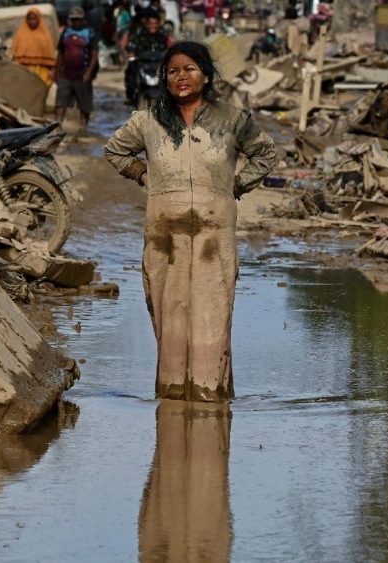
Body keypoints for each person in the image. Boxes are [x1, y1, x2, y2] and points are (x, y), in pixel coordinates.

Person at [104, 41, 277, 401]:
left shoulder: (231, 120)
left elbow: (265, 152)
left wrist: (238, 185)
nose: (181, 77)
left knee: (213, 317)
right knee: (170, 319)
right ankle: (171, 403)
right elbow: (115, 150)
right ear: (164, 78)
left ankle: (209, 398)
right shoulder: (148, 121)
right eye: (173, 71)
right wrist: (142, 175)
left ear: (206, 75)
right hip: (165, 237)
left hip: (215, 239)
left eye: (189, 69)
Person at [56, 6, 99, 130]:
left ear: (83, 19)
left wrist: (89, 72)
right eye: (73, 19)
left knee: (84, 104)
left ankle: (83, 127)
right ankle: (58, 125)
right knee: (61, 102)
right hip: (66, 73)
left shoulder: (89, 33)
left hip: (83, 73)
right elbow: (60, 52)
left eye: (78, 19)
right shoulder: (65, 32)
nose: (76, 22)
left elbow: (94, 54)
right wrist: (57, 70)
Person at [124, 8, 173, 105]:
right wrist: (131, 54)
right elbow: (131, 46)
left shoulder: (164, 35)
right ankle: (131, 96)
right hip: (143, 64)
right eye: (150, 23)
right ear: (146, 24)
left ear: (159, 24)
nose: (153, 26)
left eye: (155, 23)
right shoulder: (139, 34)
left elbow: (170, 47)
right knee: (130, 72)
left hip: (159, 65)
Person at [11, 8, 57, 85]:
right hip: (24, 70)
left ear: (38, 18)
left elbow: (50, 55)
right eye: (29, 18)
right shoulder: (21, 34)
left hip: (41, 71)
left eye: (34, 18)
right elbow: (15, 54)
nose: (32, 21)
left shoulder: (45, 34)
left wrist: (52, 70)